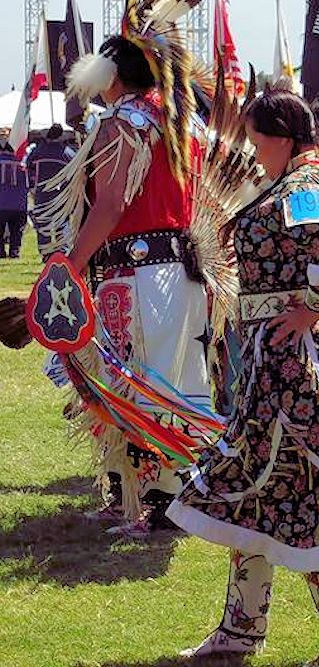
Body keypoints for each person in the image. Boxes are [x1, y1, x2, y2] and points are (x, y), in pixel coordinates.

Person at [167, 86, 319, 666]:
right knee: (252, 490)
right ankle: (240, 631)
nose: (254, 151)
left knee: (300, 492)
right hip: (273, 361)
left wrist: (311, 303)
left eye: (259, 139)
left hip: (296, 366)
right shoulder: (300, 182)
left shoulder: (308, 186)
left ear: (282, 137)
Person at [34, 30, 211, 535]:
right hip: (178, 272)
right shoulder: (181, 122)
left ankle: (155, 503)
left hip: (133, 274)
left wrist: (67, 264)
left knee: (134, 381)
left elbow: (109, 206)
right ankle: (140, 495)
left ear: (109, 74)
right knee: (165, 378)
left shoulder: (124, 123)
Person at [26, 124, 75, 258]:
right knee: (62, 222)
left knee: (43, 223)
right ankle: (63, 251)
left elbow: (28, 166)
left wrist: (32, 187)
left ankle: (45, 252)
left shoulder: (38, 151)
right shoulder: (68, 153)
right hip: (61, 195)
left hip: (42, 193)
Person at [0, 139, 28, 259]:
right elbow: (30, 182)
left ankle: (1, 252)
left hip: (1, 202)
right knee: (16, 231)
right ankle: (14, 252)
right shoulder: (22, 163)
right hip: (19, 203)